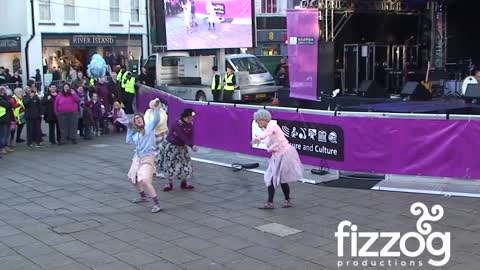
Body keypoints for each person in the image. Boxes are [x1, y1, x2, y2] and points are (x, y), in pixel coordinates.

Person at [250, 109, 303, 209]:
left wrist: (258, 138)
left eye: (258, 120)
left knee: (283, 179)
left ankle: (286, 200)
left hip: (285, 154)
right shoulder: (266, 129)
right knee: (270, 177)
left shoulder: (272, 125)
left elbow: (267, 132)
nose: (257, 123)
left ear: (264, 119)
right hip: (276, 156)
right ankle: (271, 202)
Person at [126, 98, 163, 213]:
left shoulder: (149, 127)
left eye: (139, 118)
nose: (138, 120)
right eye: (136, 120)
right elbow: (128, 141)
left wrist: (155, 108)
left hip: (148, 157)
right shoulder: (136, 134)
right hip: (137, 157)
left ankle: (157, 204)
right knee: (132, 178)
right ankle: (143, 196)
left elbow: (156, 119)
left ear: (143, 119)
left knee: (145, 180)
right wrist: (130, 129)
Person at [159, 108, 197, 192]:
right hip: (172, 146)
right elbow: (181, 135)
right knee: (170, 164)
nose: (192, 119)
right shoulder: (177, 124)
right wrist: (191, 145)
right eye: (190, 117)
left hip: (182, 147)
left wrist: (192, 143)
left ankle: (184, 182)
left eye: (192, 117)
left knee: (186, 164)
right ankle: (169, 183)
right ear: (185, 117)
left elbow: (190, 135)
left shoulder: (190, 124)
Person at [144, 99, 168, 177]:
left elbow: (161, 121)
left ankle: (162, 167)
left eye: (158, 104)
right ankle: (153, 169)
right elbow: (148, 122)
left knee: (163, 151)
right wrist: (154, 123)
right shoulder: (148, 112)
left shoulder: (162, 111)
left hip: (163, 133)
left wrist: (155, 122)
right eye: (156, 104)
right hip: (153, 134)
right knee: (154, 152)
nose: (158, 105)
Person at [0, 86, 14, 155]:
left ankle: (5, 146)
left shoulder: (6, 97)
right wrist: (9, 103)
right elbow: (7, 105)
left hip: (8, 118)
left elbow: (11, 104)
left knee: (7, 134)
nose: (4, 91)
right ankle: (1, 148)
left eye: (4, 90)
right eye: (2, 90)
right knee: (3, 135)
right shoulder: (1, 98)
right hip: (2, 119)